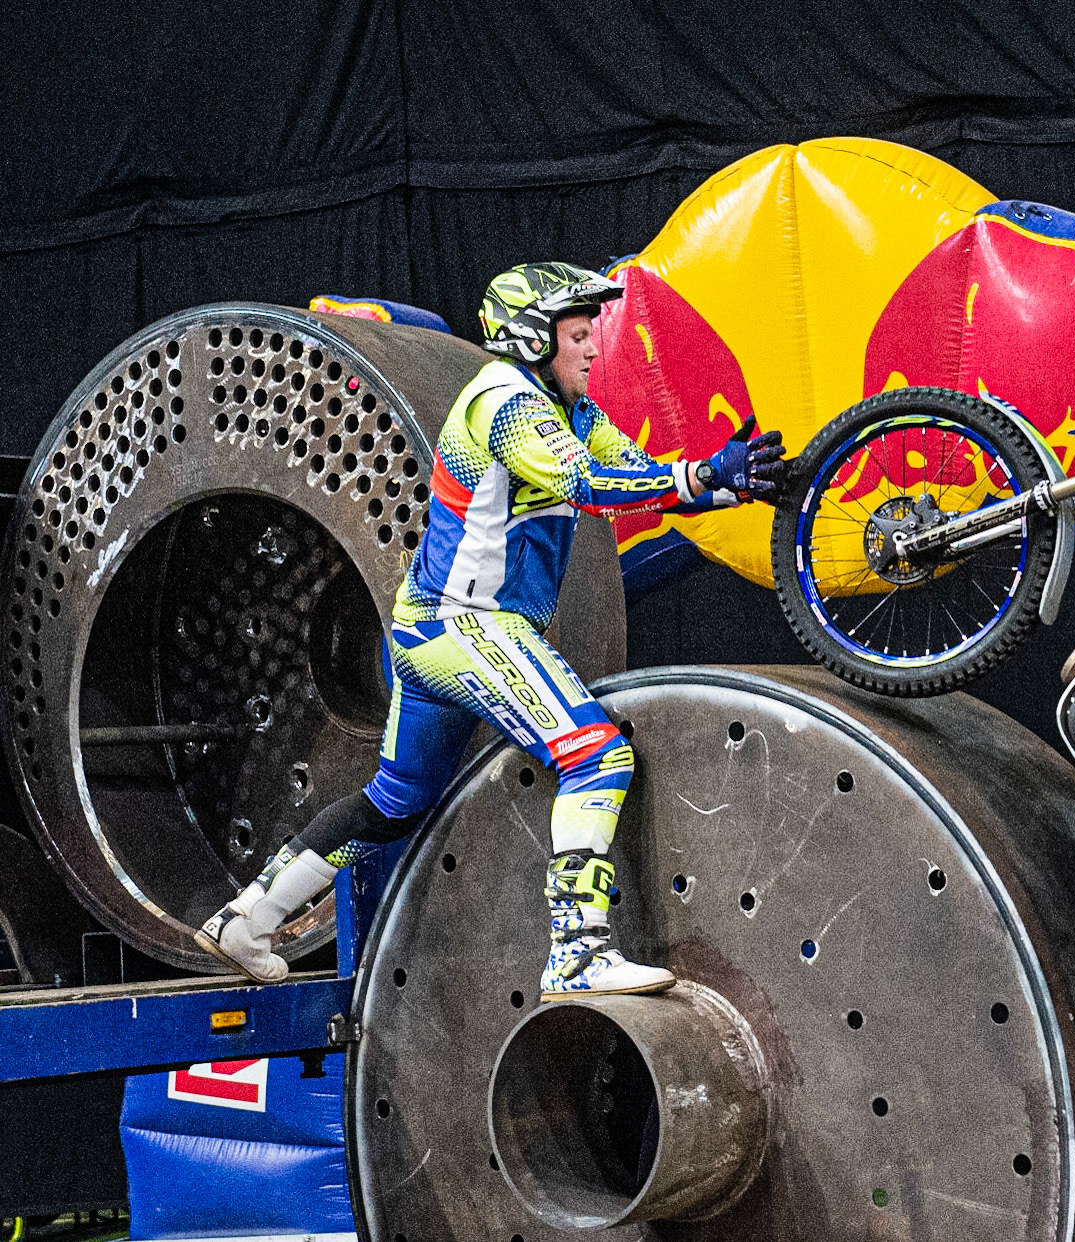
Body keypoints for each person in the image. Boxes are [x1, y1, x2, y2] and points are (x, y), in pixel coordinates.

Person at [194, 262, 786, 998]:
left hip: (430, 629)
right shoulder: (507, 403)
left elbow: (639, 476)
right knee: (598, 756)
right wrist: (700, 474)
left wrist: (732, 484)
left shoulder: (571, 410)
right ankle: (577, 955)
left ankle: (246, 921)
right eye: (578, 333)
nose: (593, 347)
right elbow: (591, 487)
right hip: (466, 626)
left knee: (394, 801)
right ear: (535, 338)